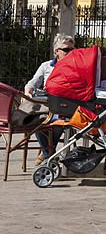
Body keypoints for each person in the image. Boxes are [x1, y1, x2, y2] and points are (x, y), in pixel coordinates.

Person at [25, 34, 75, 163]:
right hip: (46, 104)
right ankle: (49, 153)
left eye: (71, 50)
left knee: (57, 121)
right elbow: (32, 83)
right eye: (66, 50)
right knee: (36, 121)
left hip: (65, 106)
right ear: (56, 51)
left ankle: (47, 154)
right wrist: (28, 91)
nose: (69, 53)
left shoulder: (76, 67)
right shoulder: (46, 66)